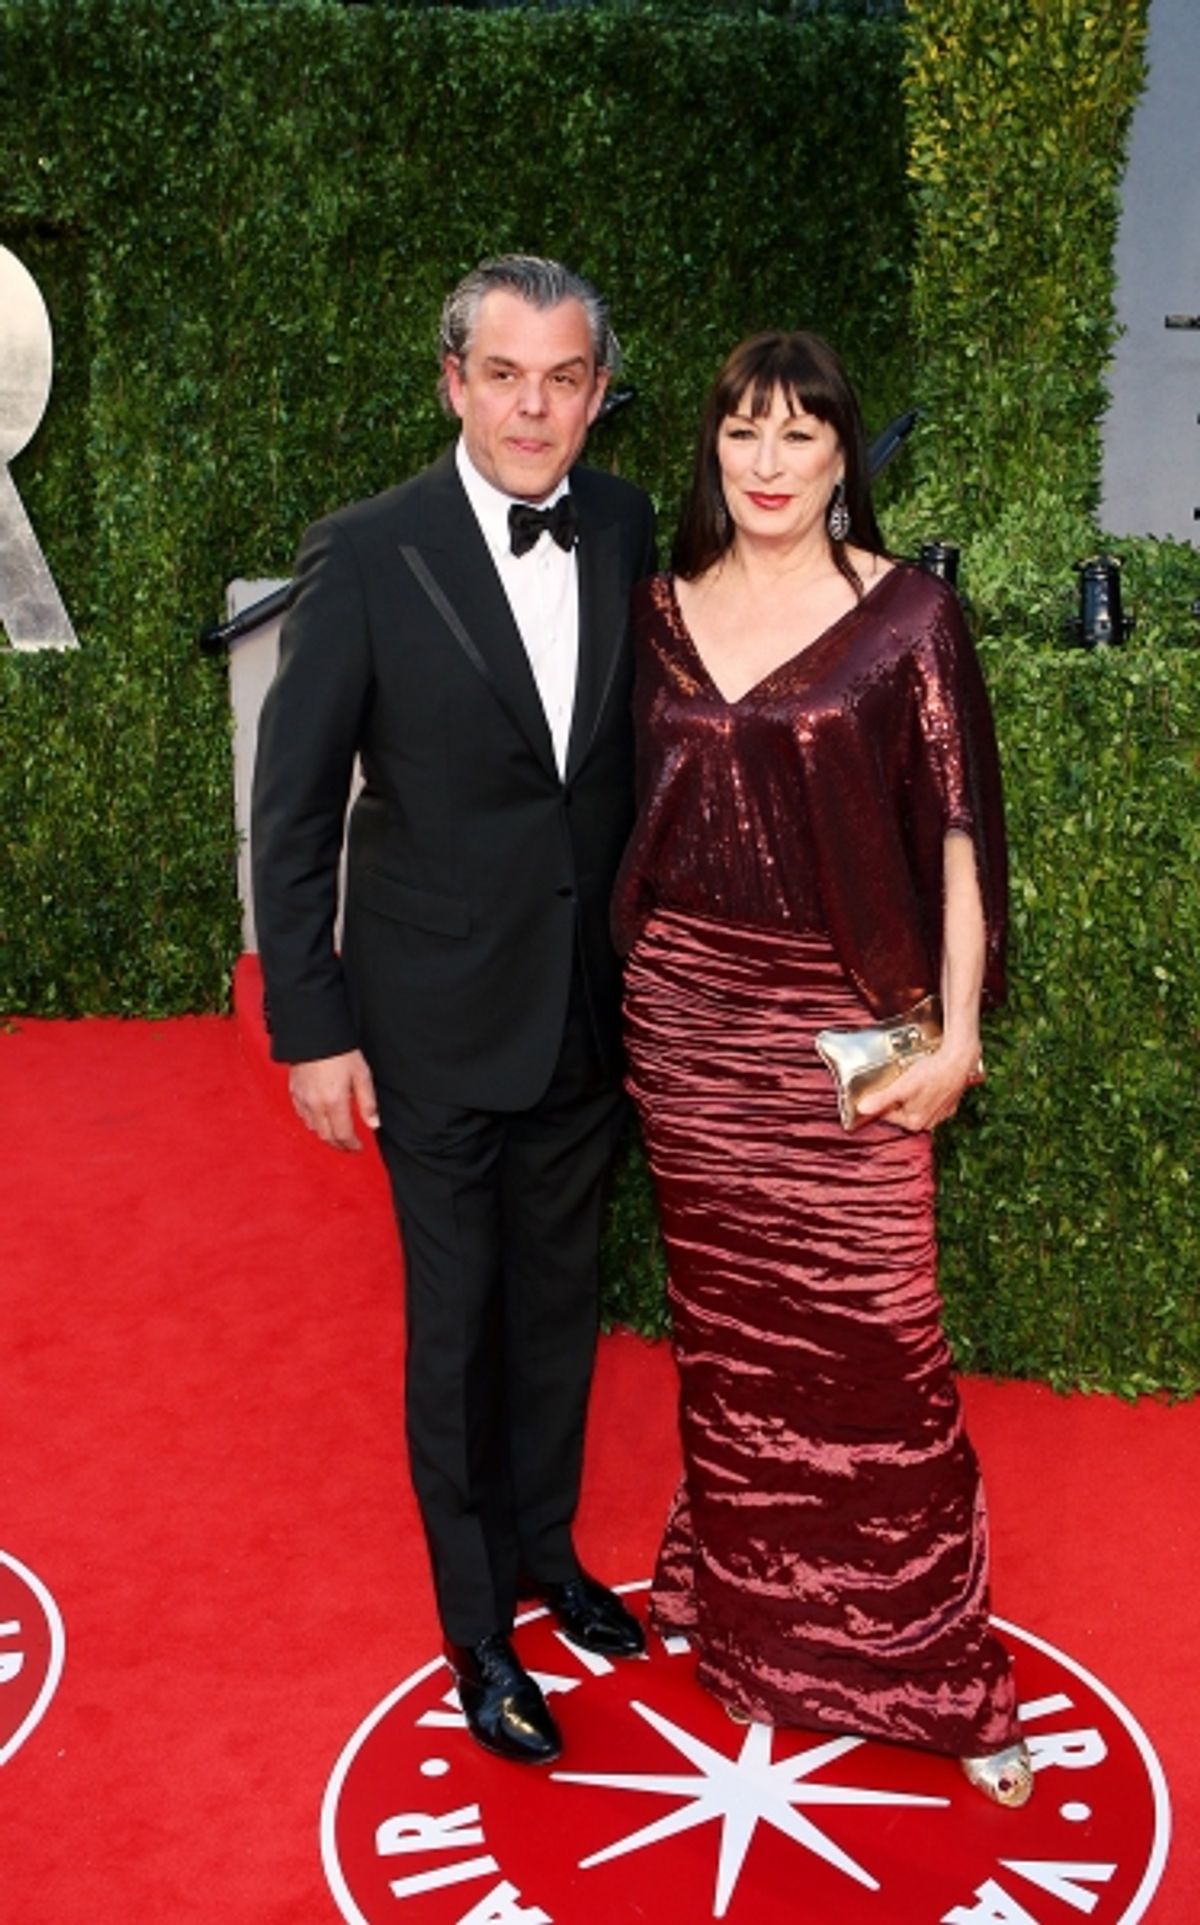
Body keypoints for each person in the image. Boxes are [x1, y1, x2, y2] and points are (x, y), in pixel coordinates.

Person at [613, 329, 1033, 1806]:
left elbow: (961, 836)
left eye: (800, 436)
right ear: (711, 451)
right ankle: (758, 1619)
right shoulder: (657, 611)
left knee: (882, 1345)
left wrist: (962, 1033)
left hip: (851, 1023)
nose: (769, 464)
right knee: (734, 1352)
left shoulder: (911, 617)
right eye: (743, 434)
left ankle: (932, 1662)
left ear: (846, 452)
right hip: (687, 1025)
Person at [252, 255, 656, 1767]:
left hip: (586, 1011)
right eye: (504, 374)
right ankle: (477, 1626)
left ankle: (548, 1555)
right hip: (427, 1015)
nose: (534, 406)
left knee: (560, 1308)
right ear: (452, 382)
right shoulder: (366, 552)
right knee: (459, 1327)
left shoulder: (621, 528)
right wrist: (311, 1023)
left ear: (599, 392)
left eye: (564, 378)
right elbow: (289, 813)